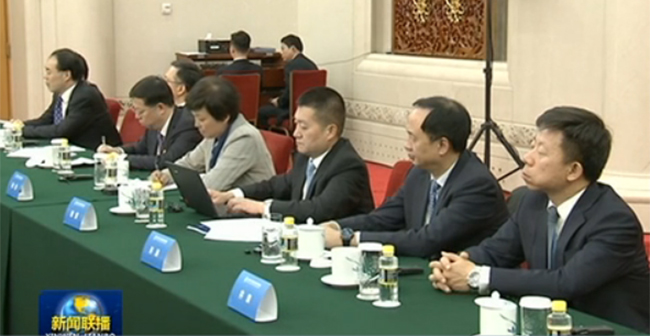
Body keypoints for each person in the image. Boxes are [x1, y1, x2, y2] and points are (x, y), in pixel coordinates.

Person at [429, 107, 650, 333]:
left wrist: (477, 276)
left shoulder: (614, 221)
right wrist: (455, 265)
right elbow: (496, 251)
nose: (527, 158)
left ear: (573, 170)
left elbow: (565, 283)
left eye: (541, 152)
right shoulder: (532, 201)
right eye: (532, 146)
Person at [323, 97, 509, 258]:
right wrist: (336, 226)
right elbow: (385, 218)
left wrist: (349, 239)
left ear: (442, 146)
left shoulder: (476, 186)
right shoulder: (420, 172)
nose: (407, 145)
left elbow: (427, 241)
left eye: (413, 138)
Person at [211, 87, 374, 223]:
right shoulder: (305, 156)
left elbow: (319, 210)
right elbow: (277, 186)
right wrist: (232, 194)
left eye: (304, 127)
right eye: (296, 124)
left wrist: (262, 207)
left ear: (330, 131)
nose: (296, 133)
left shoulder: (348, 165)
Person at [152, 76, 275, 191]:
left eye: (202, 119)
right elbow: (190, 163)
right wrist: (166, 174)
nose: (196, 124)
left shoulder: (244, 138)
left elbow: (213, 184)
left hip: (248, 204)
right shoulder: (216, 133)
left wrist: (178, 179)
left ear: (224, 116)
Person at [21, 48, 121, 150]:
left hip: (100, 153)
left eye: (49, 72)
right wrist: (19, 125)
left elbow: (61, 131)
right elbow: (46, 120)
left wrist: (23, 131)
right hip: (71, 150)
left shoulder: (86, 96)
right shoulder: (59, 94)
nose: (45, 77)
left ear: (66, 75)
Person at [97, 76, 201, 170]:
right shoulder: (154, 125)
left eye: (141, 112)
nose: (137, 117)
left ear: (160, 108)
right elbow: (139, 148)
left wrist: (121, 159)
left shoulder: (187, 125)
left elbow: (166, 162)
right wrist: (117, 151)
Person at [258, 34, 317, 128]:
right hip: (312, 108)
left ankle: (273, 136)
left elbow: (290, 92)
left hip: (293, 110)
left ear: (293, 49)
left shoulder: (291, 66)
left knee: (262, 111)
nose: (281, 53)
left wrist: (278, 101)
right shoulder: (312, 65)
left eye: (283, 49)